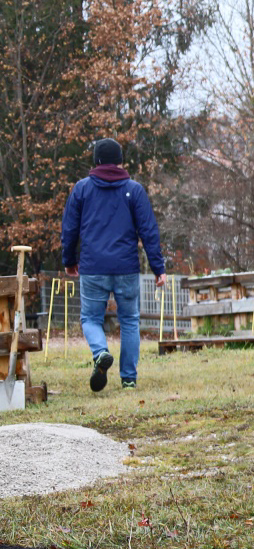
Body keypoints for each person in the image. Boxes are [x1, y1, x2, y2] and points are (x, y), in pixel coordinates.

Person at [60, 138, 166, 392]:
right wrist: (158, 267)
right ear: (120, 162)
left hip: (93, 267)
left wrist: (69, 261)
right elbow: (148, 231)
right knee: (129, 320)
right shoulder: (134, 190)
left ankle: (100, 353)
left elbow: (69, 229)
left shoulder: (82, 189)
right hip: (126, 267)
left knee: (90, 318)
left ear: (95, 161)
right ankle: (128, 378)